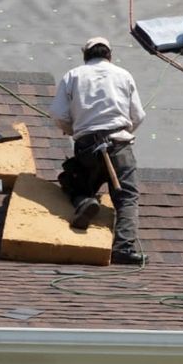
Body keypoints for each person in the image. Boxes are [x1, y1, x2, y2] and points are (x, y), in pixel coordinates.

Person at [50, 36, 146, 264]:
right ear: (109, 56)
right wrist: (123, 130)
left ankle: (84, 201)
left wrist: (74, 130)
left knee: (73, 183)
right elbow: (138, 115)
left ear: (86, 56)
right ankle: (123, 247)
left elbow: (57, 114)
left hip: (87, 147)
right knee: (127, 197)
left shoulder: (73, 75)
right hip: (119, 145)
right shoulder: (123, 75)